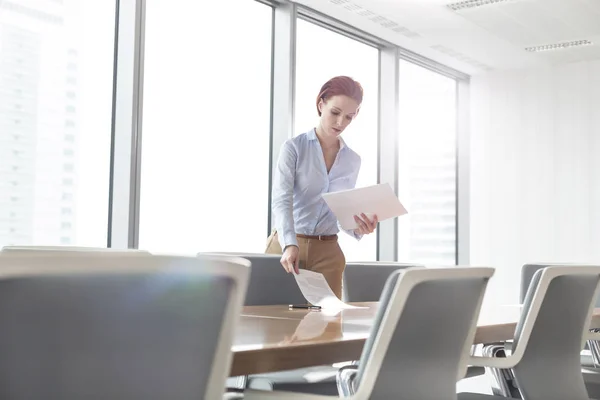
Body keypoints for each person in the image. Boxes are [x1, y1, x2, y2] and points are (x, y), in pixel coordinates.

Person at [265, 75, 377, 299]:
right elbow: (281, 200)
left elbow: (340, 210)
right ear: (320, 104)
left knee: (328, 327)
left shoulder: (352, 160)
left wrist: (358, 227)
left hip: (328, 251)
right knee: (278, 322)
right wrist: (289, 244)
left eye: (349, 117)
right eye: (335, 113)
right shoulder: (294, 148)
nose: (340, 123)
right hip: (287, 246)